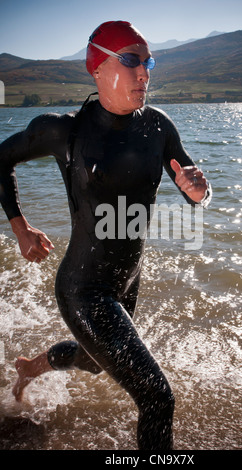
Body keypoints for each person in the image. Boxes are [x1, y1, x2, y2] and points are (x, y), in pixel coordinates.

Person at [0, 21, 211, 450]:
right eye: (130, 60)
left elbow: (196, 190)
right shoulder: (65, 131)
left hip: (127, 280)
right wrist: (20, 228)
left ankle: (31, 366)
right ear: (95, 67)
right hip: (83, 287)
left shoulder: (158, 126)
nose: (144, 73)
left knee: (98, 364)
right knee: (157, 397)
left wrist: (199, 191)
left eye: (147, 62)